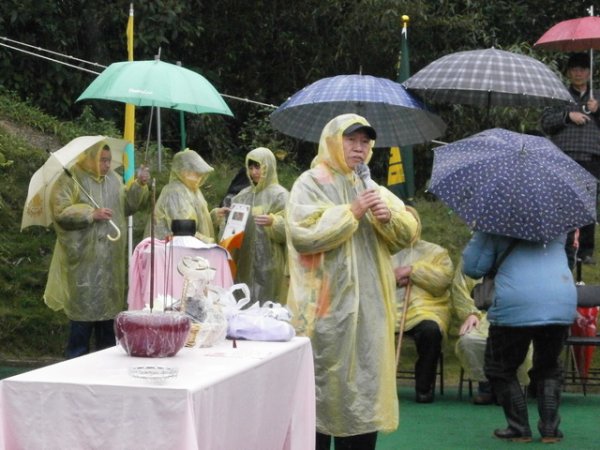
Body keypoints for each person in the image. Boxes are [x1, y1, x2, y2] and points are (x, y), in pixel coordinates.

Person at [285, 113, 419, 450]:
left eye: (365, 142)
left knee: (364, 389)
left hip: (370, 312)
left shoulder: (372, 187)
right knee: (320, 389)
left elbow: (406, 234)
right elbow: (303, 235)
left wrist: (389, 219)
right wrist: (351, 212)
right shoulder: (310, 183)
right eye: (351, 140)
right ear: (333, 141)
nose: (359, 148)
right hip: (323, 312)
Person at [462, 232, 576, 443]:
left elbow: (472, 267)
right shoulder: (557, 225)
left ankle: (519, 427)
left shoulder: (495, 224)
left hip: (515, 301)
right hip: (560, 299)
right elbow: (569, 260)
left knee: (499, 367)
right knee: (548, 366)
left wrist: (480, 235)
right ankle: (550, 428)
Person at [44, 142, 150, 359]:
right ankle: (75, 368)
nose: (107, 165)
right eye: (102, 160)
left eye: (108, 160)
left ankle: (106, 371)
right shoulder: (71, 178)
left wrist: (139, 185)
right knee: (81, 325)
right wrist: (90, 214)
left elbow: (127, 206)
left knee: (108, 333)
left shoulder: (114, 180)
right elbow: (60, 211)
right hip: (83, 263)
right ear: (90, 158)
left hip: (110, 264)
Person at [541, 52, 600, 266]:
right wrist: (568, 116)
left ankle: (585, 251)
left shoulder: (597, 96)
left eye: (582, 69)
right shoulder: (559, 95)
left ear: (589, 72)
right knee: (562, 203)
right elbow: (546, 122)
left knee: (587, 205)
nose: (578, 73)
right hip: (563, 157)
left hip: (591, 157)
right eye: (574, 69)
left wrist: (597, 110)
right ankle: (560, 246)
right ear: (568, 73)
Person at [392, 207, 454, 404]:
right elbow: (370, 279)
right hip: (388, 309)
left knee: (431, 332)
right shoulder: (382, 250)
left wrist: (413, 271)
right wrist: (392, 278)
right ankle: (375, 387)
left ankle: (424, 388)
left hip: (426, 310)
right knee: (369, 330)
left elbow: (443, 279)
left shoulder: (436, 252)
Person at [213, 147, 289, 304]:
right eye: (251, 167)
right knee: (243, 301)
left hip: (270, 261)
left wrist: (274, 222)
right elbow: (229, 235)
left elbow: (291, 229)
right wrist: (222, 217)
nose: (254, 172)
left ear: (268, 167)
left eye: (258, 167)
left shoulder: (280, 196)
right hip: (244, 262)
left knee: (268, 304)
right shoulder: (242, 196)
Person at [451, 258, 531, 405]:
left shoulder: (524, 256)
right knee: (469, 340)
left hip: (516, 314)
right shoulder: (473, 256)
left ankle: (510, 388)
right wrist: (470, 313)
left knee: (519, 340)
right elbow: (460, 289)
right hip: (481, 315)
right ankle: (486, 387)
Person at [145, 148, 215, 242]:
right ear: (184, 172)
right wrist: (208, 242)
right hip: (168, 248)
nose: (200, 176)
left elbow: (198, 221)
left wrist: (215, 216)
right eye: (197, 172)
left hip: (183, 246)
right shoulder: (174, 193)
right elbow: (184, 230)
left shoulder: (192, 190)